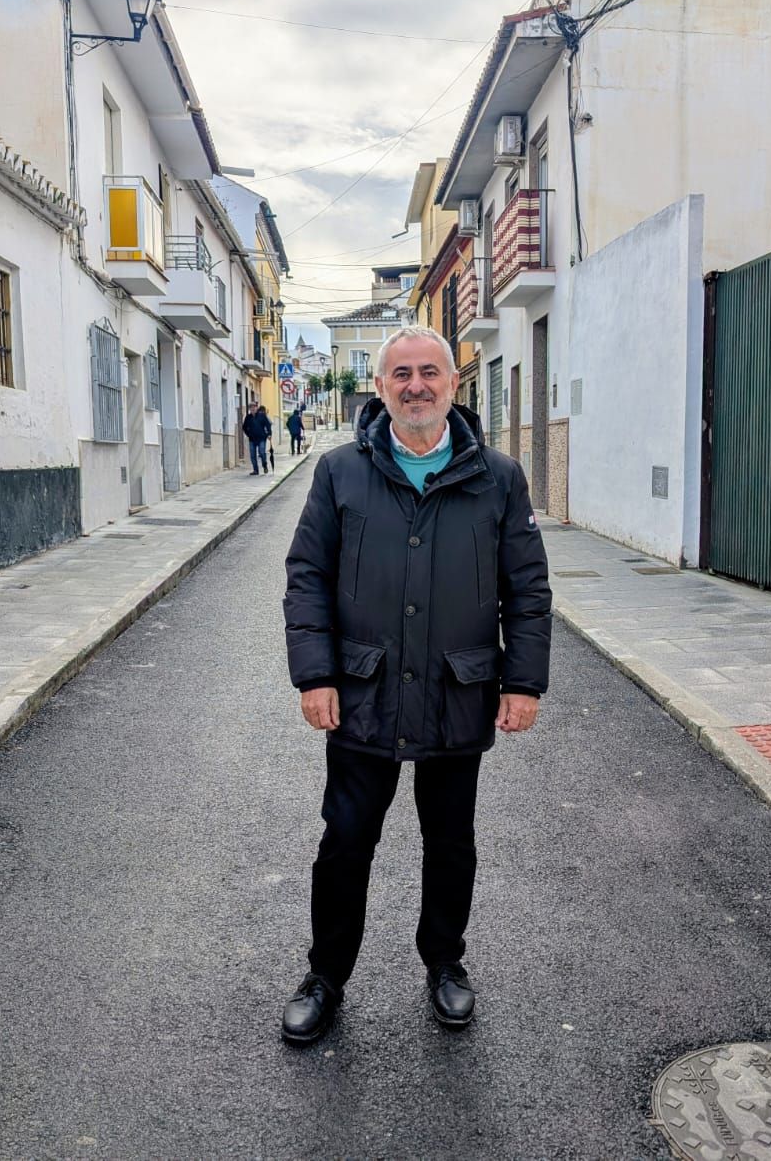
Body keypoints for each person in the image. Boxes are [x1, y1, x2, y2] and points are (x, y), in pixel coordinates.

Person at [279, 325, 551, 1045]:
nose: (416, 386)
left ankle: (446, 965)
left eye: (429, 372)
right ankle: (325, 976)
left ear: (454, 384)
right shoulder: (340, 472)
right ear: (381, 387)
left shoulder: (498, 477)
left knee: (450, 840)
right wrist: (315, 675)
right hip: (362, 693)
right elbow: (306, 577)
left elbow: (527, 589)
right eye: (400, 374)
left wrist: (523, 683)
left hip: (457, 692)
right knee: (345, 841)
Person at [243, 404, 272, 475]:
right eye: (251, 407)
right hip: (252, 439)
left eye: (254, 407)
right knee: (253, 455)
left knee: (262, 452)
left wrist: (269, 434)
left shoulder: (262, 416)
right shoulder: (248, 417)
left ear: (256, 408)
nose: (252, 409)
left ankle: (264, 465)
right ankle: (255, 470)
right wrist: (248, 434)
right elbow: (244, 427)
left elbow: (268, 425)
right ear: (249, 409)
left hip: (261, 438)